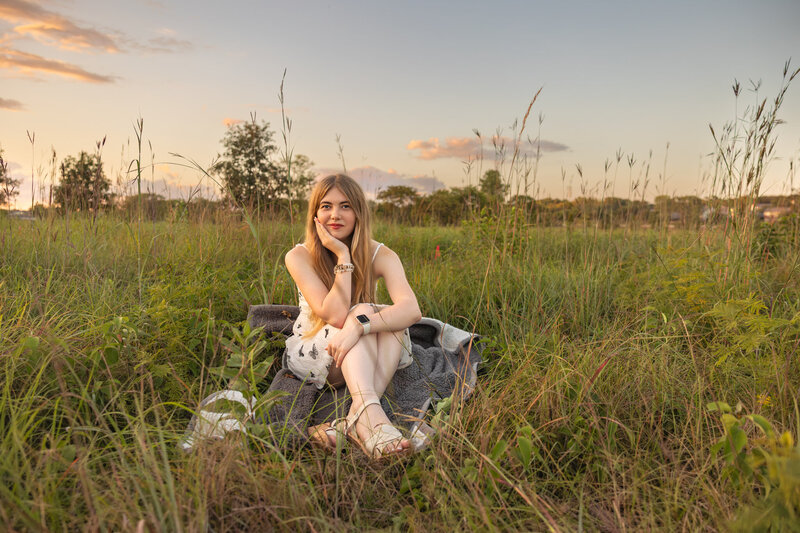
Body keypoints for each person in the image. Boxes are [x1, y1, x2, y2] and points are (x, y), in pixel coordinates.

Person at [283, 174, 422, 458]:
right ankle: (375, 421)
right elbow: (334, 316)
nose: (335, 215)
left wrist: (359, 326)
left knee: (377, 316)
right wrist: (343, 257)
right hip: (320, 351)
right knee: (363, 311)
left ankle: (354, 421)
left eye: (345, 206)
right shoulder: (299, 256)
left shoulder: (379, 253)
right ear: (315, 214)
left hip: (360, 350)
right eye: (326, 206)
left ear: (358, 211)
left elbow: (411, 309)